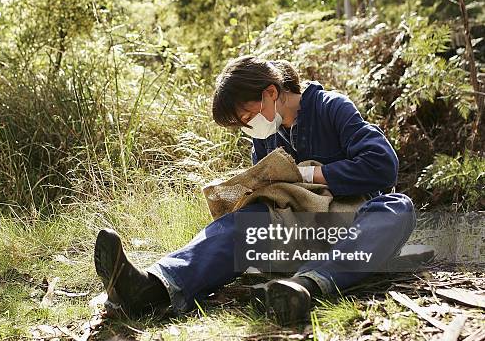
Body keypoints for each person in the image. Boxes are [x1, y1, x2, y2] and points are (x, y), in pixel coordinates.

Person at [94, 55, 416, 324]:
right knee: (243, 220)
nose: (249, 127)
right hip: (297, 234)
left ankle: (304, 287)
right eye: (242, 124)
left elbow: (383, 165)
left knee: (398, 208)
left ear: (271, 93)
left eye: (248, 116)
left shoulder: (332, 108)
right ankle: (153, 287)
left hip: (349, 232)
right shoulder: (265, 137)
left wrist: (314, 174)